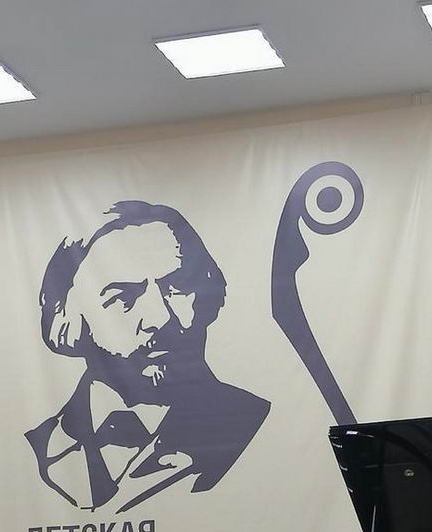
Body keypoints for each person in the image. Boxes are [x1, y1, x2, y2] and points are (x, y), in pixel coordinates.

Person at [26, 201, 270, 513]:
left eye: (177, 288)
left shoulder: (256, 427)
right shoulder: (34, 448)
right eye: (124, 297)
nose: (159, 317)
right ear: (68, 315)